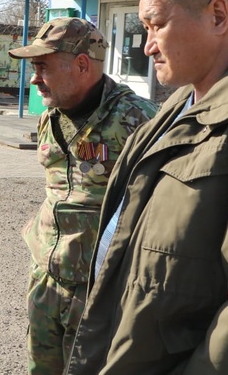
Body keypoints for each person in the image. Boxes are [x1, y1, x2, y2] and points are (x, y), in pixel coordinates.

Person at [66, 0, 228, 374]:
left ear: (218, 16)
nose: (146, 46)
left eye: (157, 25)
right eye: (144, 28)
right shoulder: (179, 104)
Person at [8, 18, 156, 375]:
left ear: (82, 64)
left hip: (99, 288)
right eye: (33, 68)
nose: (33, 78)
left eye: (42, 66)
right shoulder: (52, 114)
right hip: (46, 276)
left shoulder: (139, 120)